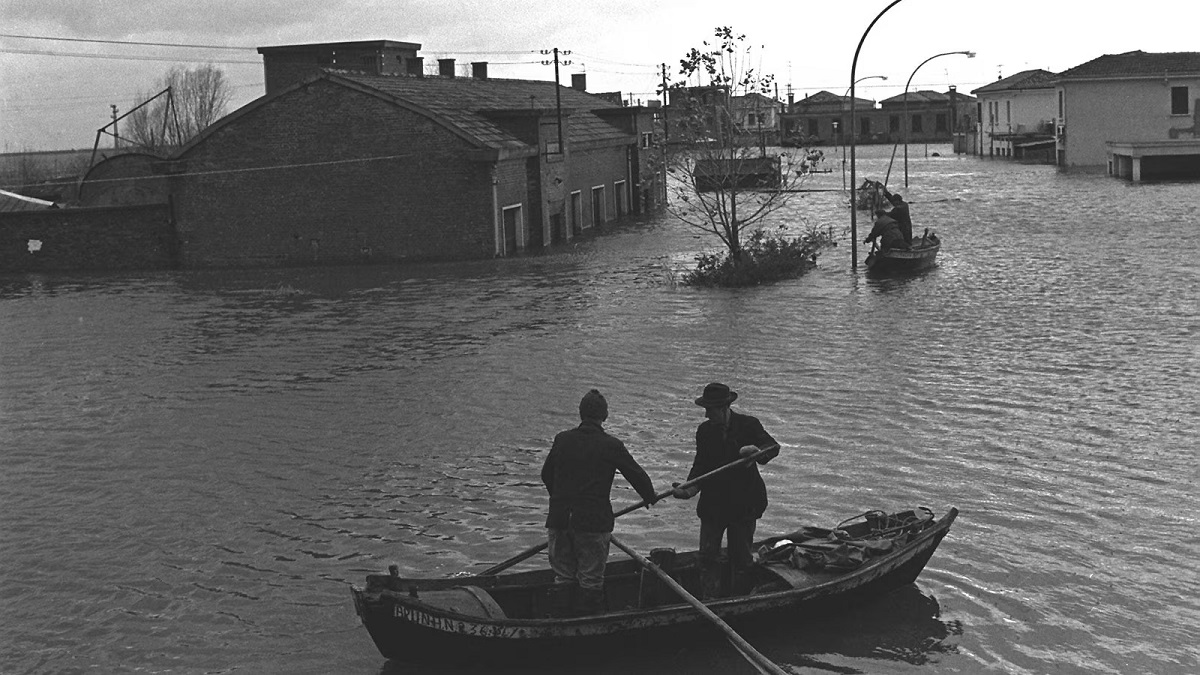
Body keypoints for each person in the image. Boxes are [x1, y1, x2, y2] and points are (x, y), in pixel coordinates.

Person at [542, 389, 658, 615]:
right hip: (592, 523)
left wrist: (560, 500)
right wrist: (649, 496)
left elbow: (546, 474)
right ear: (604, 416)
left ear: (580, 413)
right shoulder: (610, 445)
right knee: (591, 581)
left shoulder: (562, 439)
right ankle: (586, 627)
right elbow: (636, 475)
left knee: (563, 577)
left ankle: (560, 623)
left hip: (559, 520)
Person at [672, 383, 779, 598]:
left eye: (710, 409)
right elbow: (700, 466)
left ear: (724, 408)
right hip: (713, 504)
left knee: (740, 559)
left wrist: (756, 453)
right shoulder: (705, 431)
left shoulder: (748, 425)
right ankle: (709, 599)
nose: (706, 414)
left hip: (744, 504)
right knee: (707, 557)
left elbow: (772, 447)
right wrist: (689, 489)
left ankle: (739, 599)